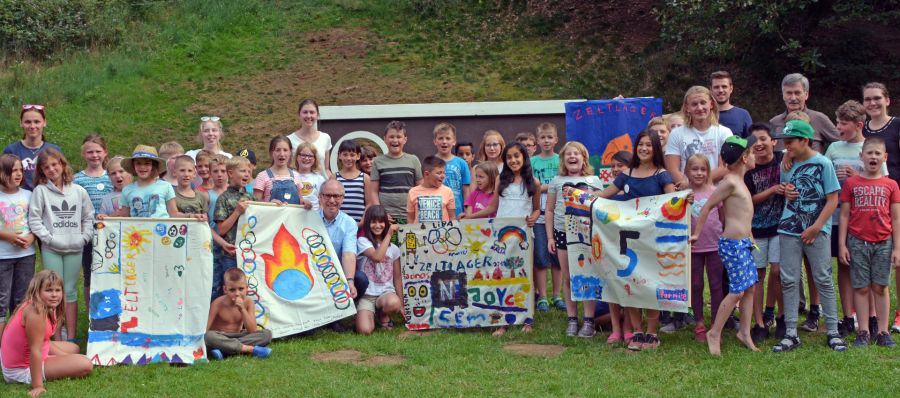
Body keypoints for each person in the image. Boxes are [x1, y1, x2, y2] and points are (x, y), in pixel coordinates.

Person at [579, 130, 675, 350]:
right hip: (628, 242)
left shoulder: (662, 174)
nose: (644, 149)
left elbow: (673, 200)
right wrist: (581, 196)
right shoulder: (627, 174)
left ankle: (651, 333)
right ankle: (637, 332)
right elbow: (605, 195)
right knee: (631, 284)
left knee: (650, 285)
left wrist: (684, 197)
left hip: (652, 240)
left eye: (649, 145)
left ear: (655, 149)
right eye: (640, 144)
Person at [772, 119, 848, 352]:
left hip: (817, 231)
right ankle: (791, 332)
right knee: (789, 279)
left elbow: (832, 199)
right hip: (789, 229)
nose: (786, 147)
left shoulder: (823, 163)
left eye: (790, 142)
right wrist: (786, 191)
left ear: (805, 140)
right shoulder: (787, 163)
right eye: (784, 142)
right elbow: (787, 190)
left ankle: (833, 331)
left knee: (823, 277)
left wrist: (817, 227)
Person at [690, 135, 760, 355]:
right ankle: (714, 332)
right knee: (738, 291)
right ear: (744, 157)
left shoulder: (740, 180)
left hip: (744, 243)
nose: (755, 155)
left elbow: (742, 215)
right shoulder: (729, 182)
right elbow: (707, 207)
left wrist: (750, 236)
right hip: (732, 245)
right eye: (752, 152)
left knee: (750, 288)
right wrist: (697, 233)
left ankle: (745, 333)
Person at [465, 143, 540, 336]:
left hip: (523, 237)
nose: (513, 161)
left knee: (525, 277)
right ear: (505, 161)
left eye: (517, 156)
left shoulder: (534, 182)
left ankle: (527, 318)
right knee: (503, 276)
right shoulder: (501, 180)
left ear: (524, 158)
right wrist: (470, 217)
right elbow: (492, 208)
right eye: (509, 157)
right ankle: (503, 321)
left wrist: (534, 216)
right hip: (502, 238)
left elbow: (537, 208)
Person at [825, 100, 885, 337]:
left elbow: (882, 179)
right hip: (839, 217)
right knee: (844, 265)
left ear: (859, 124)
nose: (838, 126)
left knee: (866, 268)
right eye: (837, 121)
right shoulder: (834, 148)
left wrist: (857, 174)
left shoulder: (870, 148)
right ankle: (848, 316)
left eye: (843, 123)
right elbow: (823, 176)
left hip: (866, 221)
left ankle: (870, 317)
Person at [837, 138, 899, 347]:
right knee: (861, 287)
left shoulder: (891, 185)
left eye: (877, 153)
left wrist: (897, 247)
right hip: (857, 241)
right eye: (869, 153)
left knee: (880, 286)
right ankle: (863, 330)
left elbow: (896, 218)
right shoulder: (851, 184)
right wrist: (842, 244)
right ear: (861, 156)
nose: (873, 157)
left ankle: (882, 331)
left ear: (885, 157)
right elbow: (844, 215)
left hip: (883, 242)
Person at [27, 149, 93, 342]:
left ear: (63, 164)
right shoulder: (41, 191)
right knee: (53, 292)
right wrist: (50, 239)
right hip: (52, 249)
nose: (51, 169)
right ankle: (56, 337)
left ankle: (71, 337)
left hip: (75, 248)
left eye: (55, 165)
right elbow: (35, 220)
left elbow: (88, 217)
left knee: (70, 291)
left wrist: (83, 238)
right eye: (46, 167)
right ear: (41, 171)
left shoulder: (78, 191)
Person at [0, 270, 92, 396]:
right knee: (85, 364)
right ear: (37, 291)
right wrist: (37, 386)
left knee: (74, 348)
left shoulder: (47, 305)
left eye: (57, 290)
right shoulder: (35, 314)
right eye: (48, 290)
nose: (54, 295)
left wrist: (63, 357)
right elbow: (35, 350)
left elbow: (45, 339)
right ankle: (40, 375)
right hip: (21, 368)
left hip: (36, 349)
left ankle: (62, 361)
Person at [545, 142, 602, 338]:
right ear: (563, 159)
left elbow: (601, 206)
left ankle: (588, 320)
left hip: (587, 234)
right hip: (562, 233)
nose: (572, 156)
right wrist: (550, 237)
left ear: (583, 158)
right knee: (568, 277)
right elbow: (550, 210)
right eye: (567, 154)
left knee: (586, 276)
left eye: (576, 153)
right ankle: (572, 319)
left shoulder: (594, 180)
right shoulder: (556, 181)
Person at [860, 82, 900, 333]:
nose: (872, 103)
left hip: (895, 198)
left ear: (888, 100)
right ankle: (873, 317)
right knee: (872, 260)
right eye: (868, 100)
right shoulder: (860, 129)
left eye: (877, 98)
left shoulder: (896, 125)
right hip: (869, 204)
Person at [743, 123, 786, 343]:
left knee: (778, 272)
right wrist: (771, 190)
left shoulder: (783, 161)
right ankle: (759, 323)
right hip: (756, 229)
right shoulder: (748, 169)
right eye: (754, 141)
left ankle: (781, 317)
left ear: (773, 141)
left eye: (763, 139)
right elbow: (747, 200)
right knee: (757, 276)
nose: (759, 144)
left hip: (780, 228)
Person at [685, 154, 725, 342]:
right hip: (693, 248)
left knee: (717, 284)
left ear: (708, 172)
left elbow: (722, 217)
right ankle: (699, 322)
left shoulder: (715, 192)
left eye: (703, 169)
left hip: (715, 245)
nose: (699, 173)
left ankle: (717, 323)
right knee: (696, 284)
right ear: (687, 171)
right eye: (695, 169)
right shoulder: (684, 194)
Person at [320, 179, 367, 332]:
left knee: (360, 279)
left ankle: (338, 317)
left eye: (336, 196)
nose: (332, 200)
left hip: (337, 272)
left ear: (343, 198)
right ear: (320, 197)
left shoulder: (349, 223)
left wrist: (350, 281)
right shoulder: (308, 218)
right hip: (314, 272)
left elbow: (348, 253)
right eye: (327, 195)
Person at [665, 86, 733, 190]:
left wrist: (696, 184)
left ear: (711, 104)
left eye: (703, 102)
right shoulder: (676, 134)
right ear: (687, 108)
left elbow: (724, 167)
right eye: (694, 104)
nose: (699, 108)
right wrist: (687, 188)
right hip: (687, 195)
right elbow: (672, 169)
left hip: (716, 195)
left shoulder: (724, 132)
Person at [73, 134, 112, 314]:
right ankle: (92, 316)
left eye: (98, 151)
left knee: (111, 273)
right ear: (83, 154)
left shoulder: (112, 176)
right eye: (90, 152)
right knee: (90, 275)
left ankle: (110, 312)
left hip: (111, 234)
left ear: (105, 153)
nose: (94, 155)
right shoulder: (77, 179)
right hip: (88, 234)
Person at [0, 154, 36, 337]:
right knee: (1, 300)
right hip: (2, 257)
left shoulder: (29, 195)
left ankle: (16, 342)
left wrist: (32, 238)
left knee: (22, 300)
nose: (18, 174)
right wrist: (6, 236)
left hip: (25, 255)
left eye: (20, 170)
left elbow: (36, 222)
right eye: (13, 170)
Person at [531, 123, 565, 312]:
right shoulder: (532, 162)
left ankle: (557, 295)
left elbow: (563, 183)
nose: (546, 140)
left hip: (558, 213)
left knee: (557, 258)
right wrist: (548, 187)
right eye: (543, 137)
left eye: (549, 137)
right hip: (539, 213)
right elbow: (532, 187)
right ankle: (542, 296)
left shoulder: (561, 160)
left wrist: (543, 187)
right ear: (537, 140)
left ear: (556, 140)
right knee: (541, 256)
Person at [355, 205, 403, 334]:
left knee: (394, 303)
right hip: (367, 295)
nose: (378, 225)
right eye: (373, 221)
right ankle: (367, 313)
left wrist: (402, 303)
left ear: (386, 223)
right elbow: (377, 257)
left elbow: (397, 277)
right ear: (367, 223)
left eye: (381, 222)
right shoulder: (363, 241)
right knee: (365, 330)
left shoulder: (394, 249)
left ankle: (383, 314)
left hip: (386, 293)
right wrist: (389, 234)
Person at [205, 268, 273, 359]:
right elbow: (205, 330)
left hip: (238, 335)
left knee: (267, 334)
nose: (237, 293)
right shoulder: (217, 303)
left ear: (247, 288)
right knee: (208, 336)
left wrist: (242, 309)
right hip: (221, 336)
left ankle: (224, 350)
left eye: (241, 289)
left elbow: (252, 330)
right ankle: (249, 349)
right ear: (225, 289)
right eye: (232, 290)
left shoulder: (249, 302)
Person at [212, 156, 254, 299]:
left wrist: (273, 204)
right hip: (231, 255)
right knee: (232, 293)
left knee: (249, 290)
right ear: (230, 173)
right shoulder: (223, 198)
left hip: (249, 254)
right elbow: (222, 229)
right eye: (242, 171)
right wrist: (237, 212)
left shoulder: (250, 197)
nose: (247, 174)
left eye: (248, 171)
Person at [367, 121, 422, 224]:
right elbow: (374, 191)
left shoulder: (413, 160)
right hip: (386, 218)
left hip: (410, 216)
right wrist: (381, 213)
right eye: (391, 137)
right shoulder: (377, 162)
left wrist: (417, 213)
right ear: (385, 139)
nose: (395, 140)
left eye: (399, 137)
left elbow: (421, 189)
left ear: (405, 139)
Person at [769, 73, 840, 152]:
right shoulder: (774, 122)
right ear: (783, 95)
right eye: (789, 93)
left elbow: (843, 143)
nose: (793, 98)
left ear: (806, 95)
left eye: (797, 93)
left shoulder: (819, 119)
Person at [104, 145, 177, 219]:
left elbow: (174, 214)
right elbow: (123, 215)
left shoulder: (165, 186)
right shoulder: (127, 190)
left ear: (154, 166)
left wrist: (188, 216)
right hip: (136, 230)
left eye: (147, 163)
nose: (142, 167)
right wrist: (106, 218)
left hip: (161, 229)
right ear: (133, 166)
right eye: (138, 163)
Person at [4, 105, 61, 191]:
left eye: (37, 122)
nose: (32, 126)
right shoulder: (11, 150)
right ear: (21, 123)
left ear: (44, 122)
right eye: (27, 122)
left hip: (48, 199)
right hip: (20, 202)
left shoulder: (54, 150)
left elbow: (62, 178)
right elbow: (4, 179)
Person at [433, 123, 471, 218]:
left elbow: (466, 190)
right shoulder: (431, 162)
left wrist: (467, 212)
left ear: (454, 141)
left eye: (448, 138)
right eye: (440, 138)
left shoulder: (462, 163)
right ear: (435, 141)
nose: (444, 141)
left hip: (458, 211)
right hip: (437, 211)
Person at [287, 98, 332, 178]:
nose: (308, 116)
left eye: (312, 112)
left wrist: (333, 182)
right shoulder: (289, 140)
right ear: (299, 115)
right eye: (305, 112)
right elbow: (286, 169)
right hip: (297, 188)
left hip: (321, 188)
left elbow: (326, 169)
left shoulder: (325, 138)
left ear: (317, 115)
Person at [254, 136, 302, 205]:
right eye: (277, 150)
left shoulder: (296, 176)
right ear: (271, 153)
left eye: (285, 150)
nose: (282, 154)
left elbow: (301, 200)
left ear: (290, 152)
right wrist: (270, 204)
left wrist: (305, 203)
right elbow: (255, 205)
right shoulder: (262, 176)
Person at [407, 156, 455, 223]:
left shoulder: (447, 191)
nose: (443, 176)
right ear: (426, 174)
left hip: (442, 233)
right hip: (420, 233)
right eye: (439, 173)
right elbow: (410, 219)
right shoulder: (413, 192)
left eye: (444, 172)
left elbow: (452, 217)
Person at [710, 71, 753, 138]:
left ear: (731, 88)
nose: (720, 90)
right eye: (716, 87)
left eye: (724, 87)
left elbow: (750, 144)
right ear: (711, 90)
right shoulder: (704, 115)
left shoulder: (743, 115)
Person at [334, 140, 369, 223]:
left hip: (360, 225)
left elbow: (369, 204)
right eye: (345, 155)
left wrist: (362, 223)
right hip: (339, 225)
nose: (348, 158)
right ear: (339, 155)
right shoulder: (334, 177)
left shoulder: (365, 178)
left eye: (352, 155)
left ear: (358, 156)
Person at [172, 155, 209, 220]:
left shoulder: (201, 196)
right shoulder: (171, 196)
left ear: (194, 174)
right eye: (182, 170)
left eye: (189, 171)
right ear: (174, 172)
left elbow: (205, 220)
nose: (186, 174)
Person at [295, 143, 327, 211]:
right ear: (297, 157)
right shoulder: (290, 176)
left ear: (314, 159)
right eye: (303, 155)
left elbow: (323, 202)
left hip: (313, 217)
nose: (306, 158)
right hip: (294, 216)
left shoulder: (319, 179)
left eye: (310, 156)